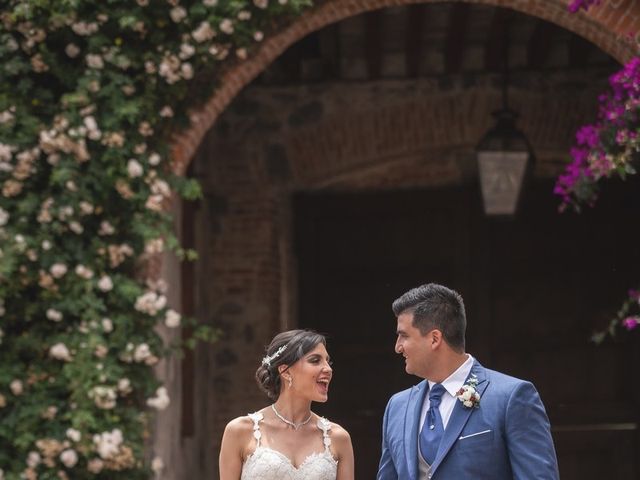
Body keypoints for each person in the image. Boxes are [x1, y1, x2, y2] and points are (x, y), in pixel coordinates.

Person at [377, 283, 559, 480]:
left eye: (403, 336)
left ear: (434, 339)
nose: (397, 347)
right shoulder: (397, 407)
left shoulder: (510, 397)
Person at [219, 329, 354, 480]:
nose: (328, 369)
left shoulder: (338, 438)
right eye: (315, 360)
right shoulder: (240, 431)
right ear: (285, 372)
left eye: (328, 362)